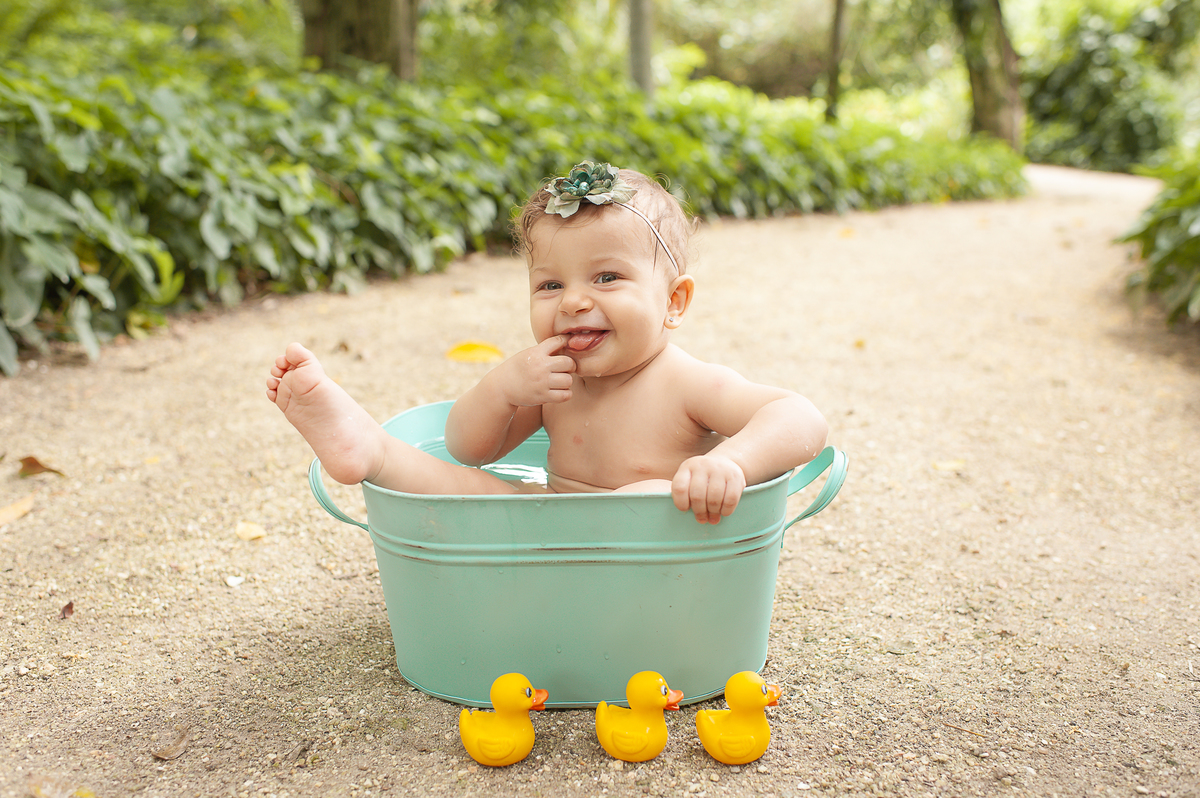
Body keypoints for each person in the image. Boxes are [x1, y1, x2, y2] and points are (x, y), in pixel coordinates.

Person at [266, 161, 828, 524]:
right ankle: (369, 451)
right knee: (470, 490)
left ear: (674, 302)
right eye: (551, 284)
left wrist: (731, 462)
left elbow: (800, 419)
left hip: (655, 542)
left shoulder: (689, 384)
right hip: (550, 518)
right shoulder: (553, 378)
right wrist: (503, 388)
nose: (573, 302)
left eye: (606, 278)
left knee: (650, 499)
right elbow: (468, 449)